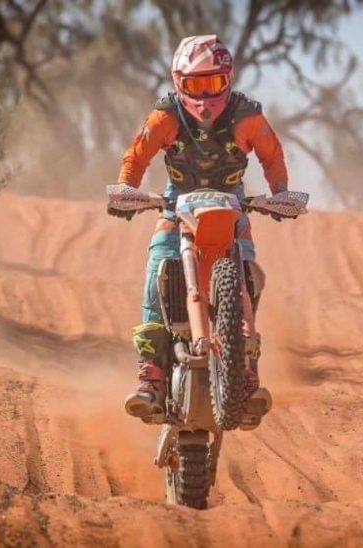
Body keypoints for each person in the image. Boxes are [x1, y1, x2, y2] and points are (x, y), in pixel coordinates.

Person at [114, 35, 290, 420]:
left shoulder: (248, 117)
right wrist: (127, 190)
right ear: (179, 83)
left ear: (228, 79)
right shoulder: (165, 117)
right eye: (197, 85)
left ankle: (245, 371)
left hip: (231, 201)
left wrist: (281, 194)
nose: (206, 95)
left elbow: (272, 155)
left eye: (214, 84)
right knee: (157, 264)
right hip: (177, 201)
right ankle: (151, 374)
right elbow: (137, 155)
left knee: (247, 271)